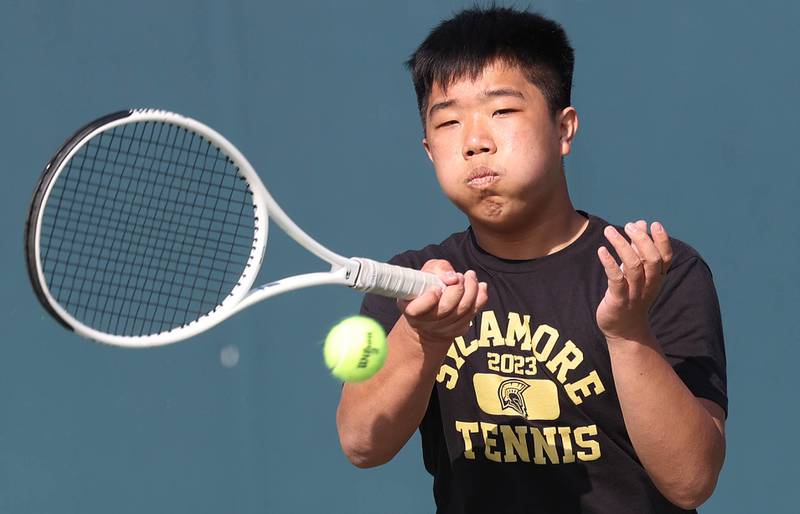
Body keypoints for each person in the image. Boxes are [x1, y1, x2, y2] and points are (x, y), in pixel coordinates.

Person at [335, 6, 727, 513]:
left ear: (564, 130)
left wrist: (629, 334)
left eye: (501, 112)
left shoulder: (653, 272)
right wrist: (422, 337)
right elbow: (361, 444)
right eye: (449, 121)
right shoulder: (413, 285)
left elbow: (691, 480)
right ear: (429, 150)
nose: (475, 142)